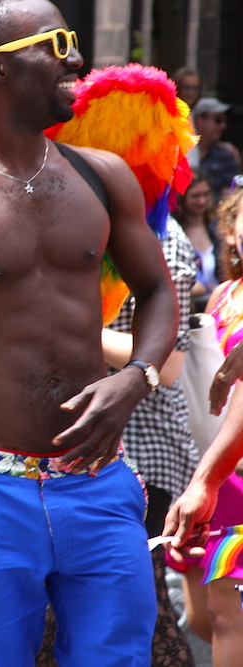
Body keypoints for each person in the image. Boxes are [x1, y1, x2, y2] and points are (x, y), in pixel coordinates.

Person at [0, 1, 178, 666]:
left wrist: (135, 378)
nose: (77, 58)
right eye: (57, 43)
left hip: (101, 486)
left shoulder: (103, 176)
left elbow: (159, 292)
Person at [99, 218, 199, 666]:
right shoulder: (83, 209)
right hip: (89, 452)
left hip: (145, 450)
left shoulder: (163, 235)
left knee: (141, 609)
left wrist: (72, 328)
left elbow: (169, 363)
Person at [164, 188, 243, 667]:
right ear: (231, 234)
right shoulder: (222, 297)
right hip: (216, 464)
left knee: (225, 614)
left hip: (228, 470)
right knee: (201, 618)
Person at [173, 171, 220, 309]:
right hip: (190, 307)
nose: (202, 201)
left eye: (206, 194)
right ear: (182, 196)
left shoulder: (218, 228)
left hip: (220, 304)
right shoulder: (175, 232)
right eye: (195, 195)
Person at [189, 98, 240, 202]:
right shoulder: (180, 151)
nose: (223, 126)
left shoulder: (226, 156)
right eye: (218, 121)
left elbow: (229, 198)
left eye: (224, 121)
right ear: (200, 120)